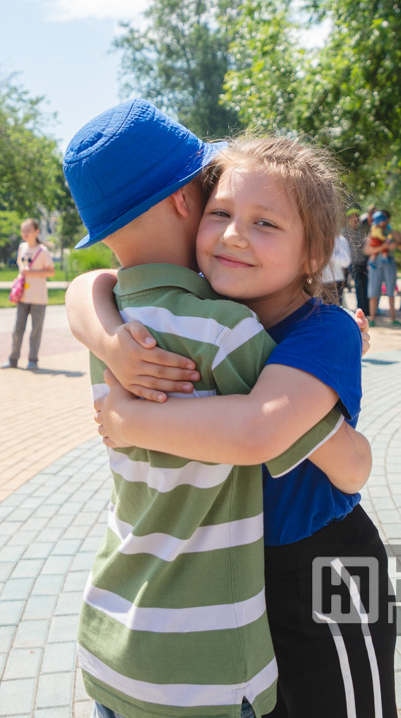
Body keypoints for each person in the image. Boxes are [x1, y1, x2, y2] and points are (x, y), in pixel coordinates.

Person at [61, 100, 370, 718]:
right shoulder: (203, 321)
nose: (232, 235)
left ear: (313, 253)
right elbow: (89, 286)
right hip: (229, 587)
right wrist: (108, 336)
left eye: (265, 223)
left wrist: (129, 419)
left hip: (315, 563)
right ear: (188, 203)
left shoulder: (304, 329)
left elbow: (290, 441)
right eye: (220, 209)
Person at [2, 218, 55, 370]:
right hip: (23, 295)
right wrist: (22, 272)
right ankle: (13, 359)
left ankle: (33, 360)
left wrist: (32, 272)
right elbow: (20, 263)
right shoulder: (22, 247)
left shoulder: (43, 251)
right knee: (17, 329)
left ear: (37, 232)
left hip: (39, 297)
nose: (25, 233)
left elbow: (51, 272)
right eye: (23, 230)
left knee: (35, 331)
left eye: (28, 230)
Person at [365, 210, 400, 326]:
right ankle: (372, 318)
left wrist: (395, 245)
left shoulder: (391, 232)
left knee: (391, 291)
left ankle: (393, 318)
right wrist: (383, 247)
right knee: (373, 291)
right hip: (375, 264)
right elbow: (367, 250)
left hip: (389, 263)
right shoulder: (373, 233)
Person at [319, 228, 352, 305]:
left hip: (334, 282)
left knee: (334, 309)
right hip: (318, 282)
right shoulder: (316, 239)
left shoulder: (340, 240)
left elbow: (346, 261)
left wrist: (329, 255)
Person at [349, 210, 370, 316]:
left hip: (363, 261)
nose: (356, 220)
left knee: (365, 285)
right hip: (352, 263)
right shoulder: (345, 232)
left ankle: (367, 309)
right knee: (358, 286)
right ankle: (361, 308)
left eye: (357, 217)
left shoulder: (361, 231)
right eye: (354, 217)